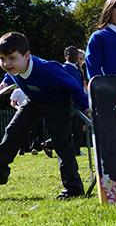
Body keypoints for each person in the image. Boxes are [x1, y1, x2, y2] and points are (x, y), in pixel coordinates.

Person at [0, 32, 89, 199]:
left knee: (62, 142)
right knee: (12, 131)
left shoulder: (47, 70)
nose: (6, 63)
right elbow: (9, 75)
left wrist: (85, 106)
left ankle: (73, 188)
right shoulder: (13, 69)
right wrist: (5, 83)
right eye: (2, 58)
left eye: (11, 58)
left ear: (27, 56)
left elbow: (73, 86)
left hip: (58, 103)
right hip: (34, 101)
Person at [63, 46, 85, 156]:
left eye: (75, 54)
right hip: (70, 102)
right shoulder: (65, 68)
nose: (73, 56)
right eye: (70, 54)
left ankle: (77, 150)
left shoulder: (77, 68)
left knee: (79, 128)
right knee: (72, 127)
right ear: (65, 56)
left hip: (79, 101)